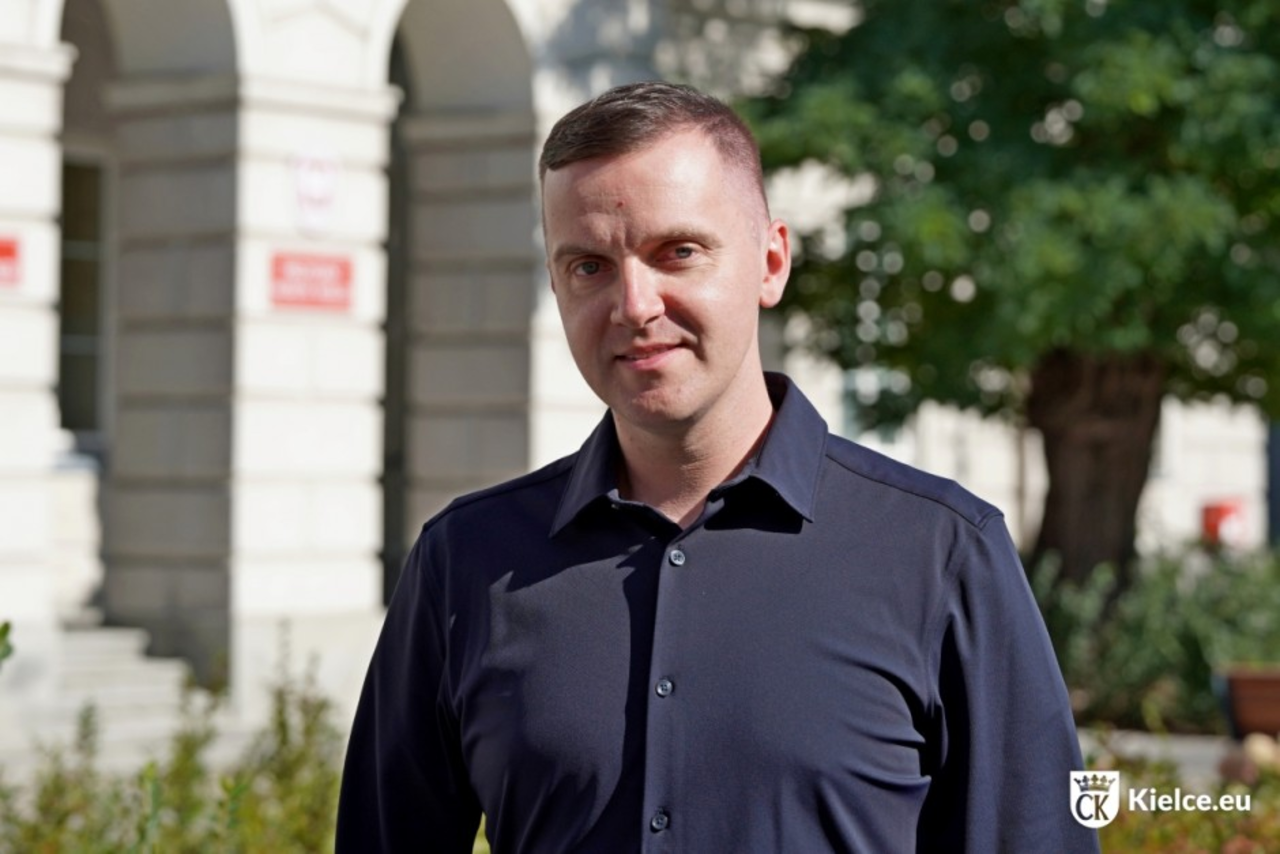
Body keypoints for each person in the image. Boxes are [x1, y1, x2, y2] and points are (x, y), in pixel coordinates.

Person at [336, 81, 1099, 853]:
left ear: (771, 263)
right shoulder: (465, 561)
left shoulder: (940, 553)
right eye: (589, 266)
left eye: (678, 253)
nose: (635, 305)